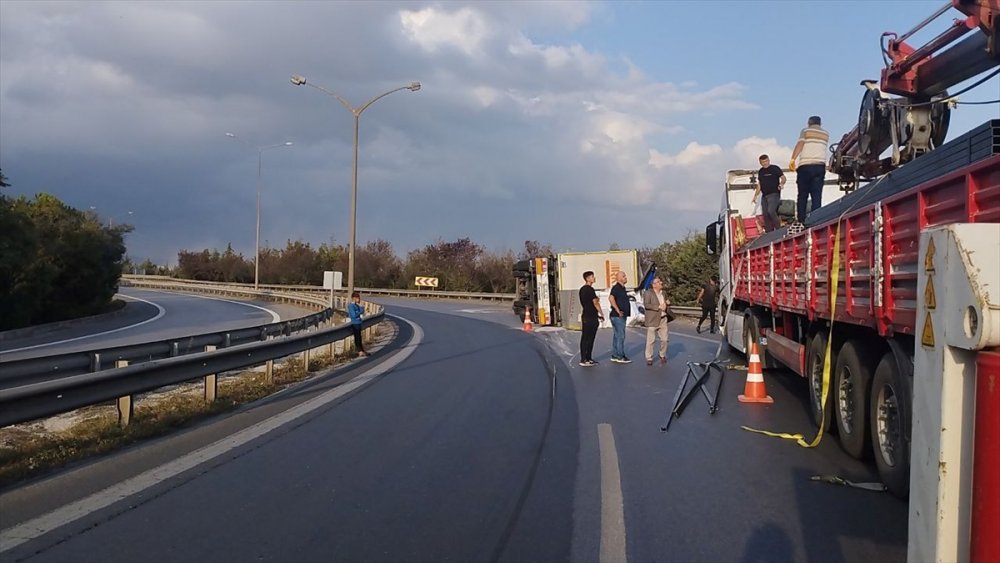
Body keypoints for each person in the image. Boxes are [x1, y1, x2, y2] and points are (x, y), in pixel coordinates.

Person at [789, 115, 830, 223]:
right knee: (816, 196)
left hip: (806, 166)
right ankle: (816, 219)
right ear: (820, 123)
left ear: (809, 123)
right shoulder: (825, 134)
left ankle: (801, 220)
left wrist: (793, 159)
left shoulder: (806, 131)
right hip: (820, 166)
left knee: (803, 195)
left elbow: (800, 144)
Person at [752, 154, 786, 232]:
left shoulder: (775, 168)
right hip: (765, 196)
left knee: (771, 211)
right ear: (760, 163)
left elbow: (783, 178)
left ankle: (778, 227)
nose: (765, 163)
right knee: (765, 214)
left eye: (766, 161)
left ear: (769, 160)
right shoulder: (761, 171)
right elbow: (759, 184)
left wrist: (781, 184)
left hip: (774, 194)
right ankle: (769, 231)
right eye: (763, 162)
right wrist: (755, 196)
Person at [642, 277, 671, 366]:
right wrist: (658, 307)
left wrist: (668, 302)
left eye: (660, 281)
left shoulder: (664, 293)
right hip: (653, 319)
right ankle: (649, 357)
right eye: (659, 282)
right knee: (651, 340)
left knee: (665, 339)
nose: (661, 283)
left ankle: (662, 354)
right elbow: (646, 305)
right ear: (654, 285)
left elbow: (666, 302)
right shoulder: (648, 293)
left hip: (663, 319)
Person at [578, 270, 604, 367]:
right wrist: (601, 313)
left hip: (586, 315)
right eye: (592, 277)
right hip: (591, 316)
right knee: (588, 338)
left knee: (587, 337)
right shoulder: (589, 289)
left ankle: (587, 358)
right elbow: (595, 302)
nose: (594, 278)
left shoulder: (582, 290)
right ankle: (585, 358)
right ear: (588, 278)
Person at [608, 270, 632, 363]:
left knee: (617, 335)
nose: (625, 277)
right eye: (623, 276)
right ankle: (620, 356)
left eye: (625, 276)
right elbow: (611, 298)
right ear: (618, 278)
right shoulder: (616, 287)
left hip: (618, 316)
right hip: (618, 316)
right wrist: (618, 310)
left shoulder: (622, 288)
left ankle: (615, 354)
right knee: (620, 336)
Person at [348, 291, 367, 357]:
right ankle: (359, 351)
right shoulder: (351, 306)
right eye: (358, 298)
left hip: (359, 322)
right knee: (357, 338)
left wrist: (361, 307)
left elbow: (362, 311)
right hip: (355, 323)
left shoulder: (357, 305)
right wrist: (360, 311)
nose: (359, 299)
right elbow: (354, 315)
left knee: (359, 337)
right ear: (354, 298)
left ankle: (362, 350)